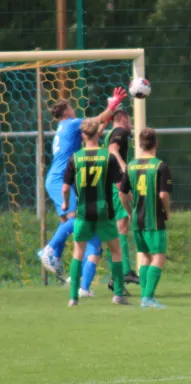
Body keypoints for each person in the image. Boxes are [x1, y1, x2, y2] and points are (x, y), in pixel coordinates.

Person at [38, 88, 127, 282]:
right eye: (71, 107)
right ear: (66, 112)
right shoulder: (71, 124)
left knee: (70, 220)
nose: (74, 110)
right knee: (77, 217)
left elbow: (93, 133)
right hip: (59, 180)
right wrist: (111, 106)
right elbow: (97, 119)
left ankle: (57, 258)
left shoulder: (65, 128)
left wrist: (107, 118)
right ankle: (50, 249)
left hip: (57, 178)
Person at [62, 119, 127, 307]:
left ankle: (73, 298)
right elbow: (119, 186)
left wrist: (66, 203)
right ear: (98, 134)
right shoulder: (109, 157)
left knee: (78, 252)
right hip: (104, 212)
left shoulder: (75, 158)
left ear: (83, 135)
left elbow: (65, 188)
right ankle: (118, 295)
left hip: (83, 213)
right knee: (116, 251)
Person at [119, 128, 172, 308]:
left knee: (146, 257)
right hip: (153, 219)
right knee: (159, 256)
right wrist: (167, 212)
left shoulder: (131, 166)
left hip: (137, 219)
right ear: (156, 143)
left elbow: (122, 193)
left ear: (139, 144)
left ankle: (145, 296)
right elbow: (164, 195)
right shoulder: (160, 166)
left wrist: (129, 211)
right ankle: (147, 298)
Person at [101, 109, 139, 291]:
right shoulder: (121, 132)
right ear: (123, 119)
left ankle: (118, 277)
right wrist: (123, 166)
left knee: (117, 228)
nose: (131, 125)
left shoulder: (109, 133)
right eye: (130, 121)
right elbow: (112, 150)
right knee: (121, 226)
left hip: (108, 185)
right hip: (116, 185)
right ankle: (124, 271)